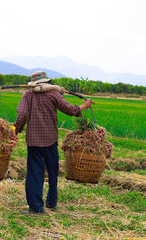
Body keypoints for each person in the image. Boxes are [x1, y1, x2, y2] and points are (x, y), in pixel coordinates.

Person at [14, 71, 92, 214]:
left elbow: (22, 114)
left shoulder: (28, 95)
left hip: (34, 141)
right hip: (50, 140)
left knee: (34, 174)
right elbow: (69, 109)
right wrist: (84, 106)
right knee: (52, 171)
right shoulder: (54, 94)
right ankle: (51, 203)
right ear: (47, 81)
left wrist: (16, 128)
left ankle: (36, 208)